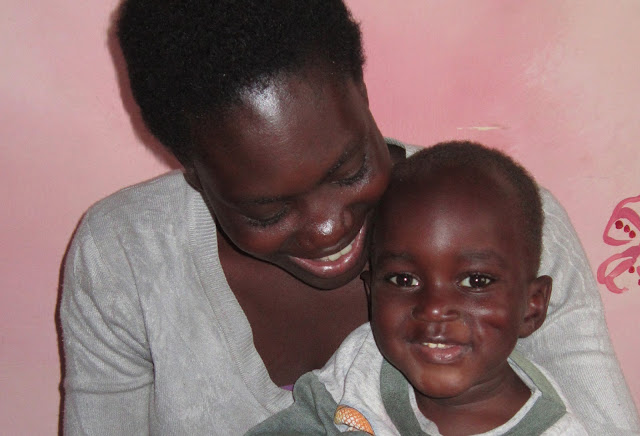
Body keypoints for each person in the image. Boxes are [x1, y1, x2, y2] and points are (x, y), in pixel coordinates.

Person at [59, 0, 639, 434]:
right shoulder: (126, 257)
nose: (328, 229)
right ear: (194, 173)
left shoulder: (507, 222)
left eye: (348, 170)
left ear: (361, 89)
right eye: (268, 209)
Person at [246, 141, 589, 435]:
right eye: (404, 280)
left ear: (532, 306)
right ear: (371, 292)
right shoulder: (364, 363)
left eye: (476, 281)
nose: (434, 307)